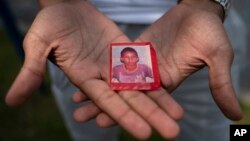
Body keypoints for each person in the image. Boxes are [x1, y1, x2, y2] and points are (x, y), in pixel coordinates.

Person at [5, 0, 245, 141]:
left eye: (132, 58)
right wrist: (57, 2)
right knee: (89, 134)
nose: (130, 62)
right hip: (78, 42)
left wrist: (207, 4)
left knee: (214, 135)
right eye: (127, 58)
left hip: (192, 30)